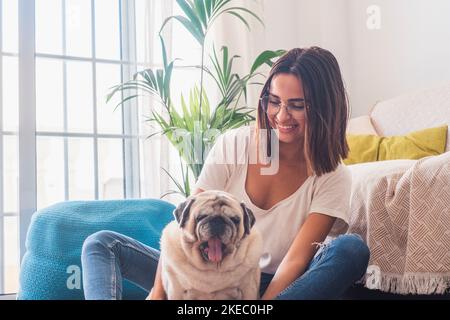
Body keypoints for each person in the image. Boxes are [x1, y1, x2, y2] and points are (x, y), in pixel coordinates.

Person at [81, 47, 370, 300]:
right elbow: (187, 224)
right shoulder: (236, 143)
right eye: (274, 101)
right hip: (203, 275)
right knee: (102, 244)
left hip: (277, 287)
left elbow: (295, 261)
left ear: (323, 109)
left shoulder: (333, 176)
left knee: (352, 250)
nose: (281, 115)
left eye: (297, 105)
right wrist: (158, 293)